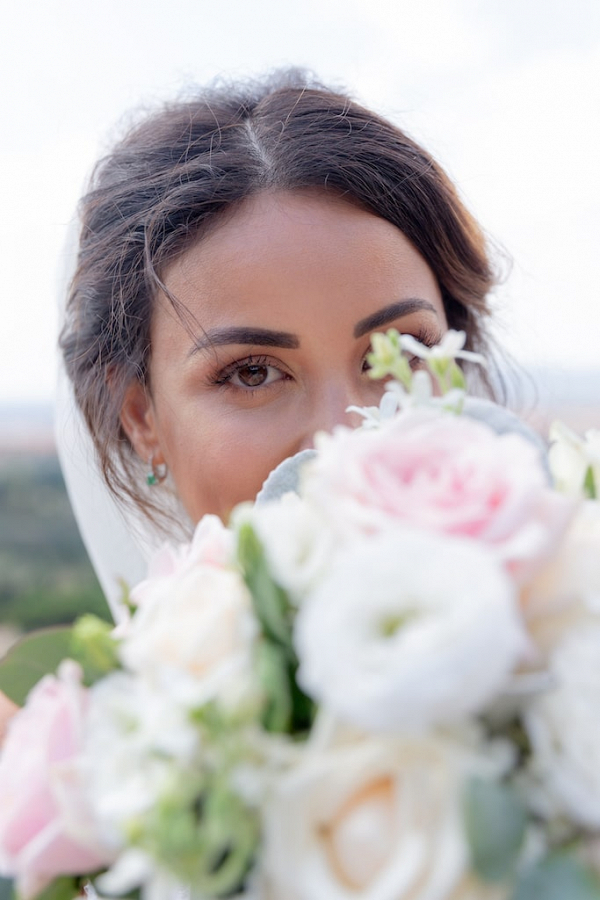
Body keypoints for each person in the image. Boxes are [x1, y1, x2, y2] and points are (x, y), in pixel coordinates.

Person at [1, 69, 507, 738]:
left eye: (402, 357)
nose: (342, 442)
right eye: (252, 372)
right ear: (141, 417)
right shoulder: (69, 782)